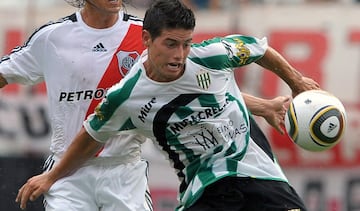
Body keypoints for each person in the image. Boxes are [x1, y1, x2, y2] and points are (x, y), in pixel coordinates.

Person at [16, 0, 320, 210]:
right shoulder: (123, 93)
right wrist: (52, 176)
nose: (180, 54)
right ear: (149, 40)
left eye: (185, 44)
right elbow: (90, 134)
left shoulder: (196, 50)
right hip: (197, 189)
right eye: (172, 45)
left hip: (134, 171)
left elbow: (244, 60)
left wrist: (284, 90)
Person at [0, 0, 153, 210]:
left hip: (124, 170)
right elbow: (5, 73)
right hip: (67, 174)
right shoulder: (52, 37)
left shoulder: (146, 33)